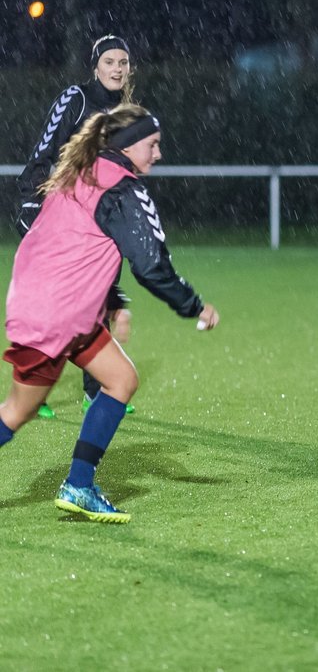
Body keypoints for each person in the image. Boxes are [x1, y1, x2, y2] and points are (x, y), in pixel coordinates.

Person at [1, 104, 220, 523]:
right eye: (153, 145)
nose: (158, 154)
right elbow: (150, 263)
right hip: (56, 314)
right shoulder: (121, 188)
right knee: (17, 411)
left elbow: (80, 246)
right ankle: (79, 485)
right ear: (129, 143)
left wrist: (113, 300)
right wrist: (193, 304)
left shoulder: (82, 173)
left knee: (121, 380)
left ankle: (80, 485)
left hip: (54, 305)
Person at [16, 34, 138, 419]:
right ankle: (33, 391)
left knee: (97, 302)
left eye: (122, 62)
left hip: (100, 223)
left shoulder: (128, 111)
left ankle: (95, 391)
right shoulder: (77, 98)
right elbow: (43, 150)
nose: (117, 68)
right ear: (95, 66)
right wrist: (29, 202)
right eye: (109, 62)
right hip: (59, 216)